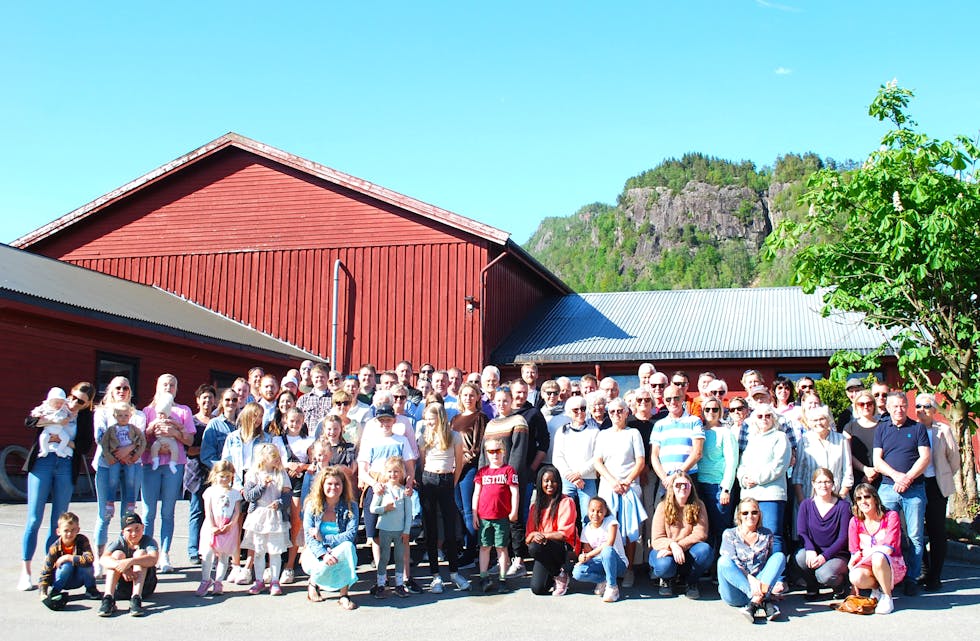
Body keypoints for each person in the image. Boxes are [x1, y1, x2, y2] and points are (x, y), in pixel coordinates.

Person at [20, 382, 94, 591]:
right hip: (43, 462)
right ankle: (25, 571)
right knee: (34, 518)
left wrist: (65, 441)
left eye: (80, 401)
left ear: (87, 404)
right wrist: (49, 421)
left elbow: (84, 446)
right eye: (73, 396)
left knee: (59, 521)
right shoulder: (55, 405)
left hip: (65, 464)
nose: (74, 402)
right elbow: (30, 421)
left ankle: (49, 569)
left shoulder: (84, 417)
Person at [873, 391, 930, 596]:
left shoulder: (918, 428)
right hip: (888, 487)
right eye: (895, 406)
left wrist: (907, 478)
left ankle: (912, 578)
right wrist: (897, 476)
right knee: (885, 535)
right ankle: (889, 576)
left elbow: (925, 458)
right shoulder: (881, 429)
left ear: (908, 406)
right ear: (887, 408)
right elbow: (877, 461)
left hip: (914, 489)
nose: (899, 409)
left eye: (903, 405)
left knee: (915, 535)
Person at [141, 374, 196, 574]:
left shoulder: (183, 411)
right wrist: (151, 428)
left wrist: (176, 434)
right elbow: (141, 440)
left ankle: (164, 553)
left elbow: (190, 441)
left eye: (172, 384)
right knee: (148, 513)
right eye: (165, 384)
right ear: (157, 387)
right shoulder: (148, 411)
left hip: (174, 464)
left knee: (168, 512)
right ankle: (146, 551)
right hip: (150, 464)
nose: (169, 387)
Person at [592, 397, 647, 588]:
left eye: (620, 411)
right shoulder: (603, 435)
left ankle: (629, 569)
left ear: (626, 412)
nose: (616, 414)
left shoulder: (634, 433)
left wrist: (627, 481)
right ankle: (607, 573)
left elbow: (640, 461)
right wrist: (613, 481)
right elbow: (598, 462)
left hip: (629, 488)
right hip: (608, 488)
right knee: (607, 530)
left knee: (629, 531)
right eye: (612, 411)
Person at [736, 403, 791, 588]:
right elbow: (742, 464)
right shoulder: (752, 439)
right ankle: (756, 577)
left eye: (768, 415)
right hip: (750, 494)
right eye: (759, 416)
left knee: (773, 536)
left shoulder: (780, 437)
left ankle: (778, 579)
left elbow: (779, 465)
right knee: (752, 535)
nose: (764, 419)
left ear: (773, 418)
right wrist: (744, 479)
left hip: (771, 494)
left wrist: (756, 478)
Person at [419, 403, 470, 593]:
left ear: (439, 418)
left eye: (431, 419)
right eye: (427, 420)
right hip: (429, 480)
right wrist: (430, 476)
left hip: (447, 480)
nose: (429, 423)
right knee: (430, 527)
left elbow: (459, 461)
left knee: (450, 527)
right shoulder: (424, 436)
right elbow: (423, 461)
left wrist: (451, 481)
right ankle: (435, 576)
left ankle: (454, 572)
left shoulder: (454, 436)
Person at [481, 385, 530, 578]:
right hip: (491, 480)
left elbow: (518, 453)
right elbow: (485, 454)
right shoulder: (491, 423)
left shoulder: (519, 421)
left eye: (505, 400)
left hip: (510, 479)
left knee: (514, 518)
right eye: (498, 401)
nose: (502, 404)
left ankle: (519, 560)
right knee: (498, 521)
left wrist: (510, 477)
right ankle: (504, 560)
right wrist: (482, 476)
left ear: (511, 401)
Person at [914, 393, 960, 591]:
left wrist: (944, 475)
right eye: (918, 406)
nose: (922, 410)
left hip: (936, 485)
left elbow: (954, 458)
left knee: (936, 530)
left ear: (934, 410)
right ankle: (924, 569)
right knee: (915, 530)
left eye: (926, 406)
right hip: (916, 484)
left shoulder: (943, 430)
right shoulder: (911, 429)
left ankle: (936, 575)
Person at [717, 498, 786, 623]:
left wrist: (771, 585)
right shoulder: (729, 534)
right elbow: (733, 562)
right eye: (745, 513)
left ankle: (754, 604)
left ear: (759, 514)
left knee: (779, 557)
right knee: (723, 561)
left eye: (754, 512)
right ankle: (761, 599)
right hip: (736, 591)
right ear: (739, 516)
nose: (750, 516)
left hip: (759, 584)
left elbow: (767, 564)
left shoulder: (767, 534)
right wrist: (751, 580)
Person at [302, 467, 359, 609]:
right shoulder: (311, 505)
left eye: (337, 484)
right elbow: (309, 537)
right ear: (322, 485)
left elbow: (350, 535)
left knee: (348, 548)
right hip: (316, 552)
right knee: (319, 551)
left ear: (343, 486)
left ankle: (344, 595)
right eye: (329, 484)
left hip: (339, 551)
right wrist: (323, 554)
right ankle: (313, 583)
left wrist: (324, 539)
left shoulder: (351, 507)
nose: (333, 487)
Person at [649, 472, 712, 599]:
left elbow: (701, 533)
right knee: (664, 566)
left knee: (705, 551)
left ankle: (691, 582)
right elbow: (657, 539)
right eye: (678, 485)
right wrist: (672, 546)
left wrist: (679, 546)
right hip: (666, 551)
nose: (682, 488)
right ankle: (668, 580)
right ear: (672, 488)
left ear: (691, 487)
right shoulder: (662, 506)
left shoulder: (699, 505)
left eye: (686, 485)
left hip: (688, 551)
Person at [270, 406, 315, 585]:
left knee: (296, 522)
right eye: (291, 421)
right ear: (285, 421)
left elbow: (313, 464)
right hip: (279, 483)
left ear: (303, 422)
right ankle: (272, 563)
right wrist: (288, 465)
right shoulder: (276, 440)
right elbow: (272, 461)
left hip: (299, 484)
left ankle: (290, 565)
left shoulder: (309, 440)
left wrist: (301, 467)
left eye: (298, 421)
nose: (295, 424)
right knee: (275, 521)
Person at [848, 483, 906, 614]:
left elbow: (888, 549)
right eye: (859, 498)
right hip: (867, 565)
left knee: (878, 557)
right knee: (855, 576)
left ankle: (887, 597)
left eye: (867, 497)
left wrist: (866, 552)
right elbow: (854, 551)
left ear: (875, 498)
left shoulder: (891, 516)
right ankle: (876, 589)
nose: (863, 501)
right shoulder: (855, 521)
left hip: (892, 565)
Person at [241, 443, 291, 596]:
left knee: (275, 551)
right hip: (258, 515)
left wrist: (280, 502)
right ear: (263, 458)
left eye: (277, 456)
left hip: (275, 516)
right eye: (273, 456)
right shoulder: (254, 474)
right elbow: (249, 496)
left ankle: (275, 580)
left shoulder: (281, 474)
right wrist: (262, 485)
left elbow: (287, 495)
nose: (277, 459)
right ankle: (259, 580)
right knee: (259, 550)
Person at [795, 468, 851, 599]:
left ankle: (840, 587)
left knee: (824, 575)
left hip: (836, 554)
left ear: (833, 484)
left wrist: (824, 556)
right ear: (813, 484)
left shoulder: (843, 506)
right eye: (819, 482)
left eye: (827, 482)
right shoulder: (806, 505)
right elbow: (802, 532)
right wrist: (810, 549)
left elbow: (843, 538)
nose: (823, 485)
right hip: (815, 551)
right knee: (800, 557)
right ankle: (812, 587)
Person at [525, 464, 580, 596]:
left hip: (562, 548)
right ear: (540, 483)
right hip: (544, 548)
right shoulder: (535, 507)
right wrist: (534, 534)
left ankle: (562, 573)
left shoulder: (566, 502)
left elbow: (564, 534)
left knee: (535, 546)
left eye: (553, 481)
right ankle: (558, 573)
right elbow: (528, 538)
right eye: (546, 481)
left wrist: (541, 535)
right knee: (538, 589)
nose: (550, 484)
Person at [473, 438, 519, 593]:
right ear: (486, 453)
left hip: (501, 516)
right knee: (485, 546)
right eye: (491, 451)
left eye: (498, 451)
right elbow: (476, 494)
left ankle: (502, 578)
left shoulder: (509, 470)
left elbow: (514, 492)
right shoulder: (482, 472)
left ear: (503, 452)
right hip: (484, 516)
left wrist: (514, 510)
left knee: (501, 547)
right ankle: (483, 576)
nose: (494, 455)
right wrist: (474, 513)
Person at [451, 381, 489, 565]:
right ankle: (466, 545)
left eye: (471, 395)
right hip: (453, 468)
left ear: (478, 398)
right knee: (458, 508)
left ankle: (471, 552)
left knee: (469, 511)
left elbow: (477, 447)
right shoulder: (455, 419)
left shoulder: (480, 417)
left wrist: (461, 465)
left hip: (468, 469)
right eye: (465, 395)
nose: (468, 398)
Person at [696, 395, 738, 559]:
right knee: (705, 527)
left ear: (720, 411)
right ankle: (706, 563)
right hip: (700, 486)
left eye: (715, 409)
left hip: (718, 487)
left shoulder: (726, 433)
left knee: (721, 528)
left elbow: (731, 462)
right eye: (708, 409)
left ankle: (721, 565)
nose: (711, 412)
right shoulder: (698, 431)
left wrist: (726, 488)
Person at [98, 512, 159, 618]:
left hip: (145, 586)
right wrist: (122, 567)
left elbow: (153, 559)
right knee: (117, 554)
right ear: (123, 532)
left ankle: (136, 598)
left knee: (140, 553)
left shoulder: (148, 541)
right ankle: (108, 598)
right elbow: (103, 559)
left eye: (137, 529)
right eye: (129, 531)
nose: (134, 534)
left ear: (143, 527)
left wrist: (130, 561)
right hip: (121, 587)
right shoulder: (119, 542)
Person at [195, 460, 241, 596]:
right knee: (208, 554)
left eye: (228, 476)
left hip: (228, 527)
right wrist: (212, 525)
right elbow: (207, 510)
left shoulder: (235, 493)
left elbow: (236, 511)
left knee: (224, 555)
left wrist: (231, 524)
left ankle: (219, 581)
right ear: (215, 475)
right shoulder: (210, 491)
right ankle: (205, 579)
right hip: (212, 525)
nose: (225, 479)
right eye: (222, 476)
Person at [369, 456, 413, 599]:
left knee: (399, 558)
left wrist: (406, 531)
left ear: (401, 473)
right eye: (390, 471)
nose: (393, 475)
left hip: (400, 531)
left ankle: (399, 584)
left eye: (396, 471)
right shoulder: (382, 489)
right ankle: (381, 584)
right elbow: (373, 509)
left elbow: (408, 513)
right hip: (385, 530)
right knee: (384, 558)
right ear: (385, 472)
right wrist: (384, 508)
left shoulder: (404, 491)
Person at [552, 394, 599, 525]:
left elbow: (597, 457)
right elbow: (558, 457)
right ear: (568, 412)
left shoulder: (594, 431)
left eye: (583, 409)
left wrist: (579, 474)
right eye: (575, 410)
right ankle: (568, 545)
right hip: (566, 480)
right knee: (565, 517)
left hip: (588, 479)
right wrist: (571, 476)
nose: (580, 412)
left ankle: (588, 545)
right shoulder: (562, 431)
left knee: (589, 517)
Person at [38, 511, 98, 610]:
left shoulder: (82, 540)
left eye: (73, 530)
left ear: (78, 530)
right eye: (66, 530)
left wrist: (68, 557)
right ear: (58, 531)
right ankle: (56, 591)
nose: (69, 534)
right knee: (66, 565)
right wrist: (42, 592)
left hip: (78, 579)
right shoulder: (54, 548)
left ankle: (91, 589)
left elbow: (90, 558)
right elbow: (46, 571)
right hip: (62, 579)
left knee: (87, 566)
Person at [572, 497, 628, 602]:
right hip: (599, 563)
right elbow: (588, 552)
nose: (595, 514)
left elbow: (609, 543)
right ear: (588, 511)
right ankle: (603, 580)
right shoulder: (586, 529)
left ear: (605, 512)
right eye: (592, 511)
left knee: (607, 550)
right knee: (577, 572)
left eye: (599, 511)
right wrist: (583, 557)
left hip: (618, 563)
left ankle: (612, 587)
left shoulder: (611, 522)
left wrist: (588, 555)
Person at [793, 405, 853, 500]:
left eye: (822, 419)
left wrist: (840, 498)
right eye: (814, 420)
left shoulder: (841, 440)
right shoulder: (804, 441)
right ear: (809, 423)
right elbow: (797, 476)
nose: (819, 423)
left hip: (838, 497)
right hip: (810, 498)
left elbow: (848, 472)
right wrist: (803, 503)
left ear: (828, 420)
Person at [186, 383, 216, 565]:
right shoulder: (192, 421)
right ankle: (192, 549)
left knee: (212, 512)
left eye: (211, 398)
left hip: (213, 472)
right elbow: (188, 449)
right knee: (196, 510)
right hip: (196, 471)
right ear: (198, 401)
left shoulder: (216, 421)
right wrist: (205, 451)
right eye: (204, 398)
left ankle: (209, 547)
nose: (207, 401)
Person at [843, 390, 881, 487]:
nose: (865, 407)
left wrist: (874, 473)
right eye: (861, 404)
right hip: (857, 477)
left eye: (869, 403)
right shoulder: (849, 428)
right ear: (856, 406)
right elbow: (847, 453)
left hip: (881, 477)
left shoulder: (883, 427)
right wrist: (865, 469)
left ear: (874, 406)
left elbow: (889, 451)